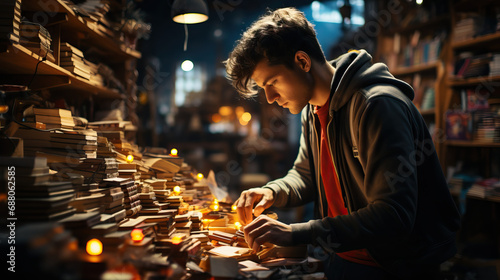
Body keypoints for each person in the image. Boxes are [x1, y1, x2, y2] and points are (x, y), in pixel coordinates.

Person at [224, 7, 461, 280]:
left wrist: (296, 233)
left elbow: (393, 215)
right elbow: (305, 175)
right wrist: (272, 191)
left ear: (302, 61)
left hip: (395, 266)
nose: (270, 98)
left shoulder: (377, 106)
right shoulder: (310, 111)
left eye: (273, 82)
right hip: (341, 255)